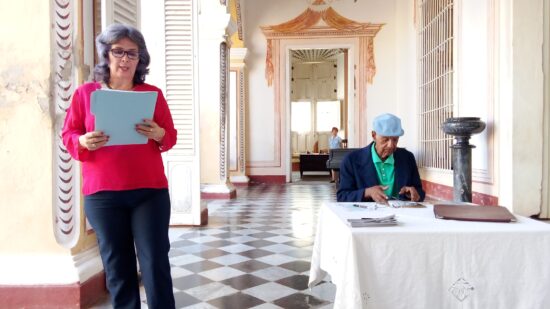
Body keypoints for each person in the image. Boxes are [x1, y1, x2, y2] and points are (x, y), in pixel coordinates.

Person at [62, 24, 176, 309]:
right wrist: (84, 141)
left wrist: (158, 134)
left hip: (149, 191)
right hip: (103, 195)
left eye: (132, 54)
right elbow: (68, 135)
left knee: (155, 262)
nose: (125, 59)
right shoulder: (85, 94)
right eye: (118, 52)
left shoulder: (153, 94)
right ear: (106, 54)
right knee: (118, 267)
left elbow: (170, 136)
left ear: (140, 60)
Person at [337, 113, 425, 203]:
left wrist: (413, 193)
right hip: (367, 215)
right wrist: (367, 192)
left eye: (395, 140)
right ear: (374, 135)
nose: (391, 145)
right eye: (385, 139)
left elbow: (420, 192)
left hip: (400, 214)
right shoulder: (351, 160)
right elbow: (342, 196)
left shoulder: (407, 158)